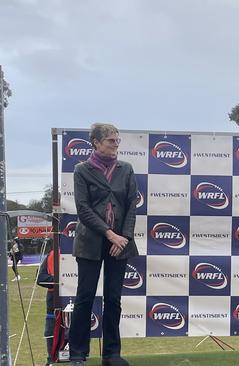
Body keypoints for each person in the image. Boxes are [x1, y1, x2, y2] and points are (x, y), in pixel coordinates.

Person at [68, 123, 138, 366]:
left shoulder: (126, 169)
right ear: (96, 142)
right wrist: (111, 235)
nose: (115, 145)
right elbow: (83, 210)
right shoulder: (82, 170)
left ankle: (111, 354)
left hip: (121, 244)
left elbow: (131, 207)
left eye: (117, 140)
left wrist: (125, 237)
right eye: (111, 141)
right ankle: (77, 353)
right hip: (90, 243)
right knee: (85, 297)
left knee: (113, 298)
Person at [37, 242, 56, 366]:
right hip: (53, 303)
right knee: (50, 332)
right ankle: (51, 359)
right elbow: (41, 279)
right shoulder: (52, 255)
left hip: (76, 301)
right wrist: (60, 279)